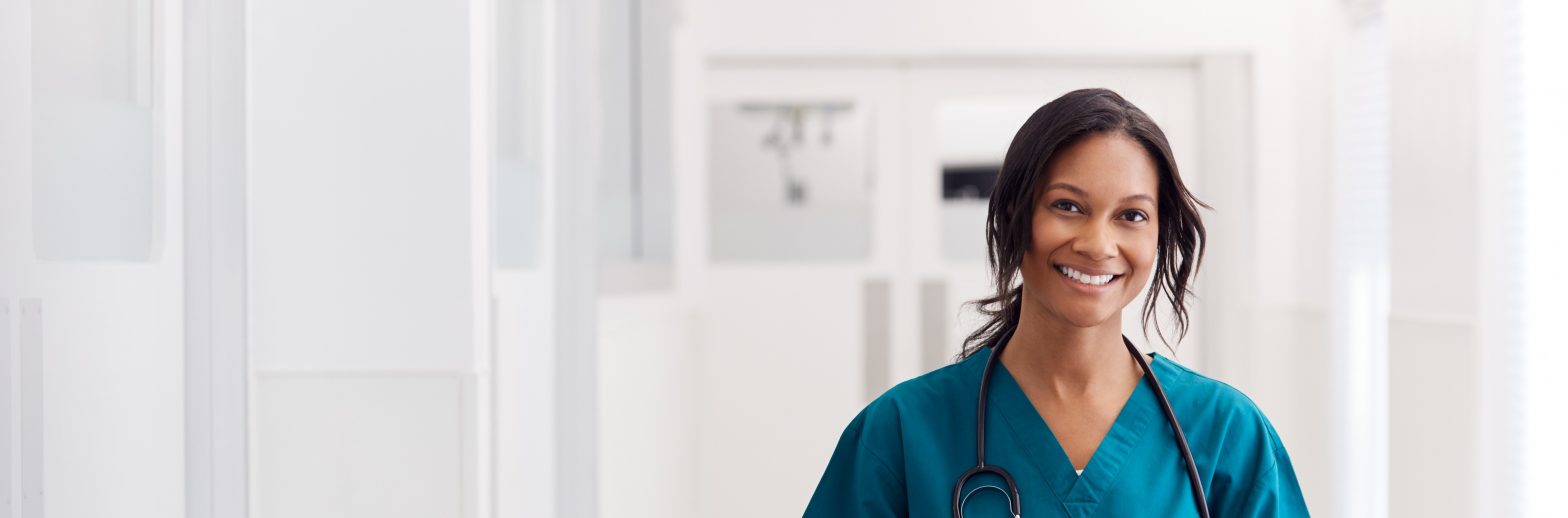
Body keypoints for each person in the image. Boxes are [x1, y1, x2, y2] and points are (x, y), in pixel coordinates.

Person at [803, 88, 1309, 517]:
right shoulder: (902, 433)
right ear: (1013, 217)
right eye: (1067, 206)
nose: (1097, 244)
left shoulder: (1226, 434)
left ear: (1159, 236)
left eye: (1131, 216)